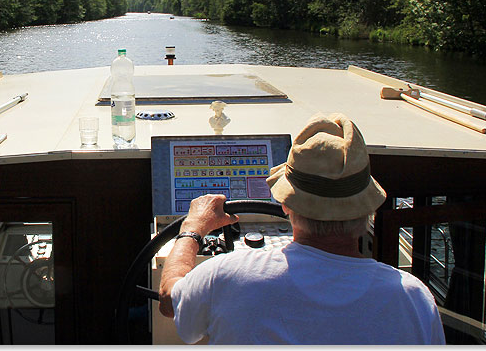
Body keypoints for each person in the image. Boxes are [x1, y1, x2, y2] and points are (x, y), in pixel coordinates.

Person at [158, 113, 446, 345]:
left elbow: (170, 301)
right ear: (367, 210)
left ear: (286, 204)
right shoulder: (415, 300)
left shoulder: (226, 275)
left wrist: (192, 229)